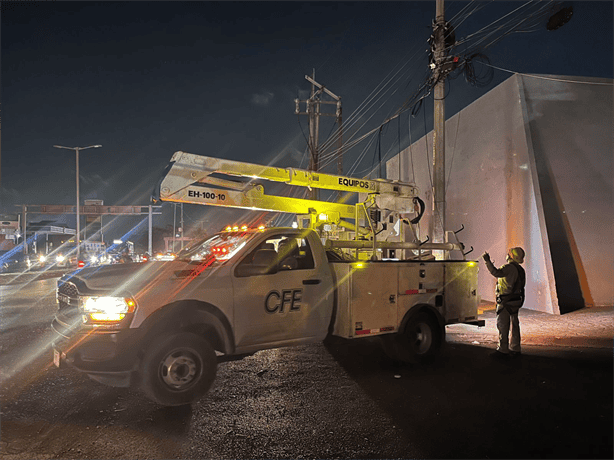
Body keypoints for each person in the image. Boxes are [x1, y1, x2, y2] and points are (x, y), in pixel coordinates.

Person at [482, 247, 526, 359]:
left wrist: (487, 261)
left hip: (506, 301)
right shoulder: (520, 270)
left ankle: (503, 349)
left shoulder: (508, 268)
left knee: (503, 325)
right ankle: (516, 348)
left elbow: (496, 272)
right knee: (515, 324)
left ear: (512, 256)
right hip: (516, 301)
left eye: (509, 253)